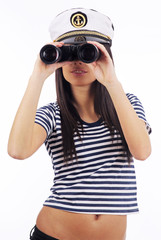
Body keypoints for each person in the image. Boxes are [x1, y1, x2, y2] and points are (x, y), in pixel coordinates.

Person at [8, 8, 152, 240]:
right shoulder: (53, 115)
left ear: (105, 55)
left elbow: (143, 151)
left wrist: (111, 80)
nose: (77, 61)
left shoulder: (127, 104)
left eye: (88, 52)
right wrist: (37, 76)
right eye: (68, 53)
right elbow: (17, 150)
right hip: (53, 234)